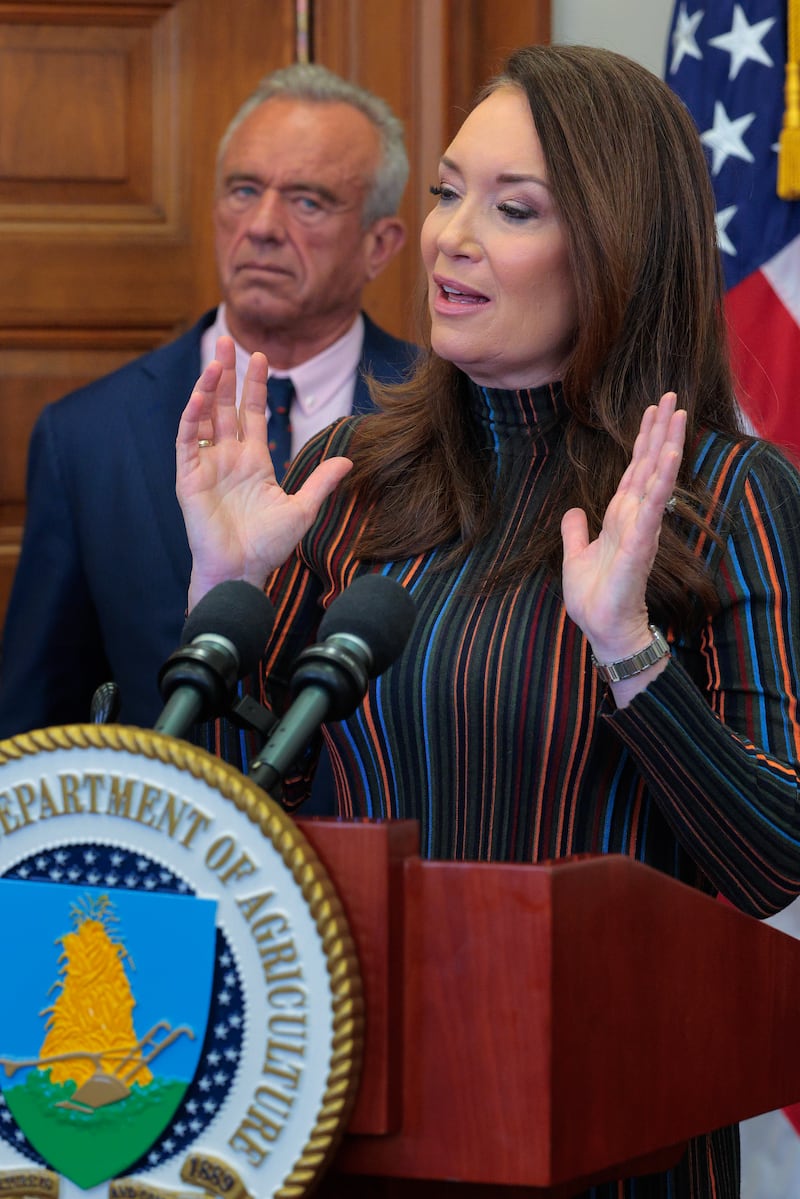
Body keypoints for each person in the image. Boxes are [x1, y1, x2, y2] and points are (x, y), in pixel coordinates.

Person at [175, 44, 800, 1198]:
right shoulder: (348, 475)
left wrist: (629, 649)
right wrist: (224, 580)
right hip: (350, 1120)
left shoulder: (723, 496)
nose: (452, 236)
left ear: (614, 248)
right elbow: (237, 831)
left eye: (511, 208)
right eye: (447, 191)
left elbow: (772, 859)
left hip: (610, 1145)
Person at [0, 62, 414, 737]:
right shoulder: (88, 436)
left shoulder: (446, 416)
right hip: (172, 828)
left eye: (307, 201)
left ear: (379, 245)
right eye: (243, 190)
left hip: (384, 833)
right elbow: (39, 716)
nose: (262, 225)